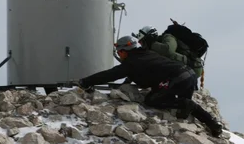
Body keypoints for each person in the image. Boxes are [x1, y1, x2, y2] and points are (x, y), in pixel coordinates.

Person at [78, 35, 223, 137]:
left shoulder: (132, 62)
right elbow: (138, 73)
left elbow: (110, 74)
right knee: (183, 107)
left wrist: (86, 81)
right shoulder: (146, 54)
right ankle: (213, 125)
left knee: (152, 100)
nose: (119, 55)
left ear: (123, 51)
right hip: (188, 75)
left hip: (177, 78)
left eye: (119, 52)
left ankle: (189, 106)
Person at [135, 25, 204, 78]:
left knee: (164, 56)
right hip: (185, 68)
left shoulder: (168, 36)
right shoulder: (157, 46)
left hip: (193, 66)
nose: (142, 45)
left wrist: (152, 44)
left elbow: (169, 50)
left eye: (142, 42)